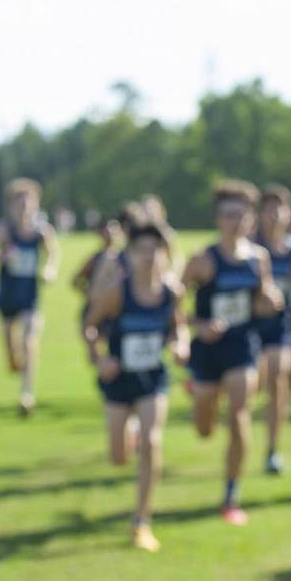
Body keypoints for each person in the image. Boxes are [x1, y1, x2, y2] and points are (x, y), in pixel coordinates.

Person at [182, 180, 284, 525]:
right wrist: (198, 325)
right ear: (217, 219)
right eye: (229, 215)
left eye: (242, 215)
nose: (236, 221)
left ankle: (231, 492)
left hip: (243, 345)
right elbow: (172, 306)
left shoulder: (259, 258)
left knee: (240, 415)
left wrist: (270, 301)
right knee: (204, 427)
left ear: (251, 219)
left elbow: (264, 298)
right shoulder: (202, 260)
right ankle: (201, 403)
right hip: (208, 349)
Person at [84, 221, 189, 552]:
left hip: (152, 378)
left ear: (164, 254)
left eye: (155, 250)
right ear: (129, 255)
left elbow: (178, 327)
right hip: (119, 379)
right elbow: (90, 328)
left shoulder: (172, 291)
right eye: (141, 250)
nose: (148, 257)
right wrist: (100, 360)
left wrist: (180, 344)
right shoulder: (116, 290)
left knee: (152, 441)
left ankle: (141, 521)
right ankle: (127, 429)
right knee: (118, 457)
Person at [0, 178, 60, 415]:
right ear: (11, 206)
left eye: (29, 202)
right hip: (7, 295)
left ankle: (27, 392)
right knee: (11, 352)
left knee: (29, 340)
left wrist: (49, 270)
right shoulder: (4, 230)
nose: (24, 207)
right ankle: (14, 363)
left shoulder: (41, 231)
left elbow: (53, 254)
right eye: (19, 202)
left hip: (30, 296)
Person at [254, 185, 291, 475]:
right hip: (250, 330)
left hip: (280, 329)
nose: (275, 215)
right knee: (250, 385)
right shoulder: (249, 246)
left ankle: (273, 449)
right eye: (269, 208)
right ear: (260, 214)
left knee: (278, 378)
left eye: (281, 209)